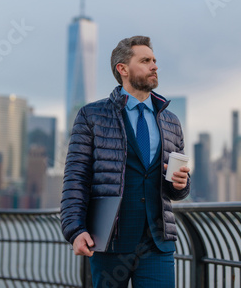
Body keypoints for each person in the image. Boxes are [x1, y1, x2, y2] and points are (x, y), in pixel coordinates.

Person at [61, 35, 190, 287]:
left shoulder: (171, 121)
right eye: (145, 61)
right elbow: (75, 178)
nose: (154, 66)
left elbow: (179, 190)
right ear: (123, 69)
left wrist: (181, 184)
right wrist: (75, 231)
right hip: (109, 239)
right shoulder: (92, 116)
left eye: (154, 60)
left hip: (156, 243)